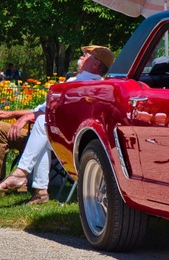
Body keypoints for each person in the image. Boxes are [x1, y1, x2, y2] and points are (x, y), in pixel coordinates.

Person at [0, 45, 114, 204]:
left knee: (42, 124)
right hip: (56, 135)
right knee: (43, 129)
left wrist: (23, 117)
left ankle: (22, 174)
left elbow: (49, 111)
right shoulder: (74, 81)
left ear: (96, 64)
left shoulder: (95, 87)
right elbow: (43, 109)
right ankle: (39, 192)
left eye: (86, 55)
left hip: (73, 141)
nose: (80, 57)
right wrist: (15, 115)